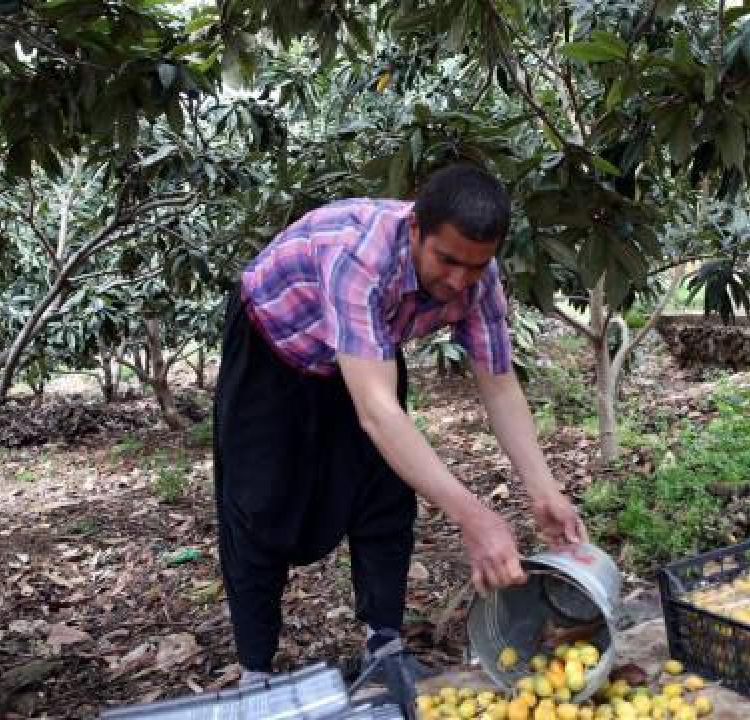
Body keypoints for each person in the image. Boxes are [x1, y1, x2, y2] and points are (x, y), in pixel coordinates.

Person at [212, 164, 587, 689]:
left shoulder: (479, 278)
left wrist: (543, 487)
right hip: (276, 349)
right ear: (415, 229)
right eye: (447, 260)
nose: (458, 281)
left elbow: (499, 385)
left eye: (474, 267)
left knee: (385, 495)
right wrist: (474, 517)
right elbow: (378, 413)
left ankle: (384, 647)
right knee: (260, 505)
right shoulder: (359, 255)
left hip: (369, 349)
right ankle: (256, 672)